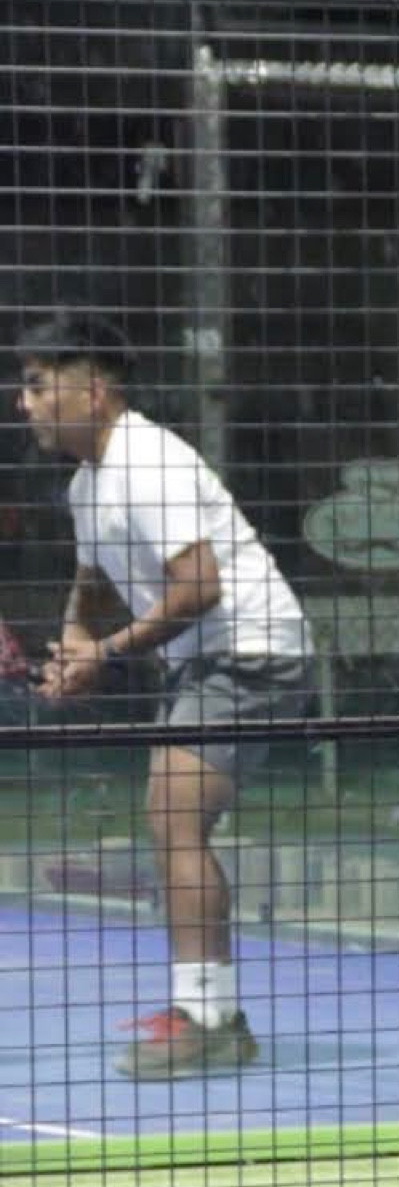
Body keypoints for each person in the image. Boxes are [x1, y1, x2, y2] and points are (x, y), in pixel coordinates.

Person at [16, 310, 314, 1077]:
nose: (25, 402)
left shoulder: (147, 462)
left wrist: (107, 653)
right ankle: (212, 1013)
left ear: (93, 389)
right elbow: (93, 587)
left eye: (39, 385)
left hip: (253, 652)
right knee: (173, 818)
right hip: (205, 661)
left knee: (175, 815)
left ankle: (208, 1018)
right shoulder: (88, 486)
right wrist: (75, 645)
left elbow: (199, 587)